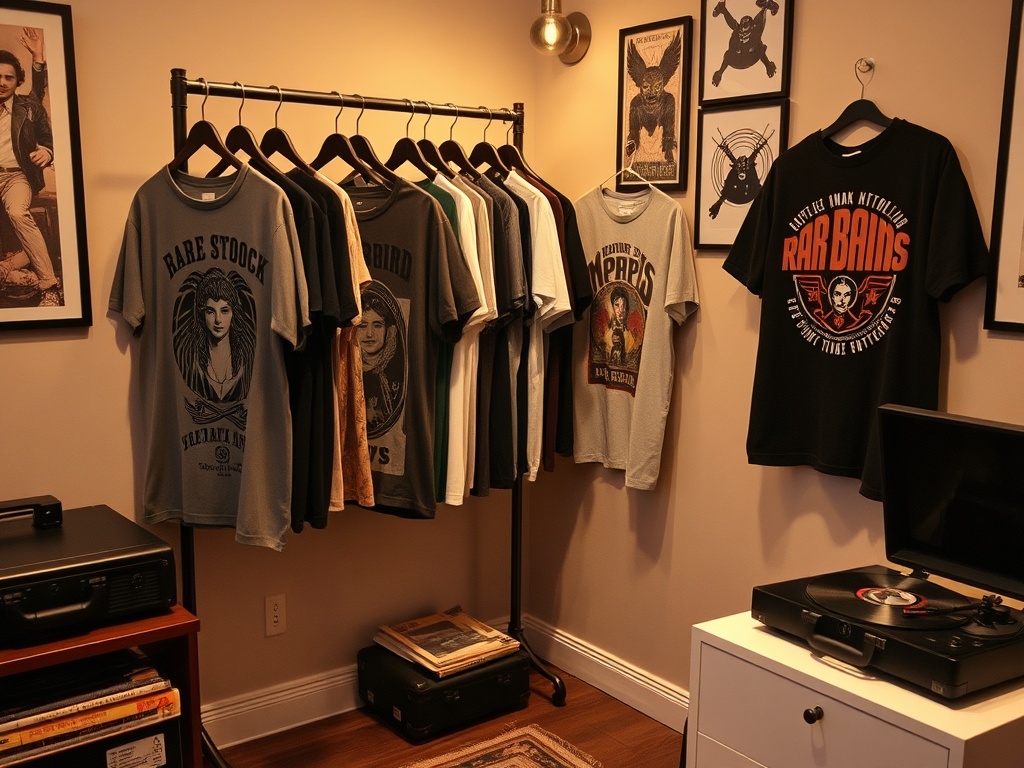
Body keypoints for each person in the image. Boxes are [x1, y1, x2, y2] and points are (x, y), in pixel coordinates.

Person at [0, 40, 56, 293]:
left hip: (16, 178)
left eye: (8, 77)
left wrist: (46, 151)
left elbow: (47, 139)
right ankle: (9, 267)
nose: (2, 82)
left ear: (17, 81)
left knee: (17, 213)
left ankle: (48, 280)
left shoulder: (28, 106)